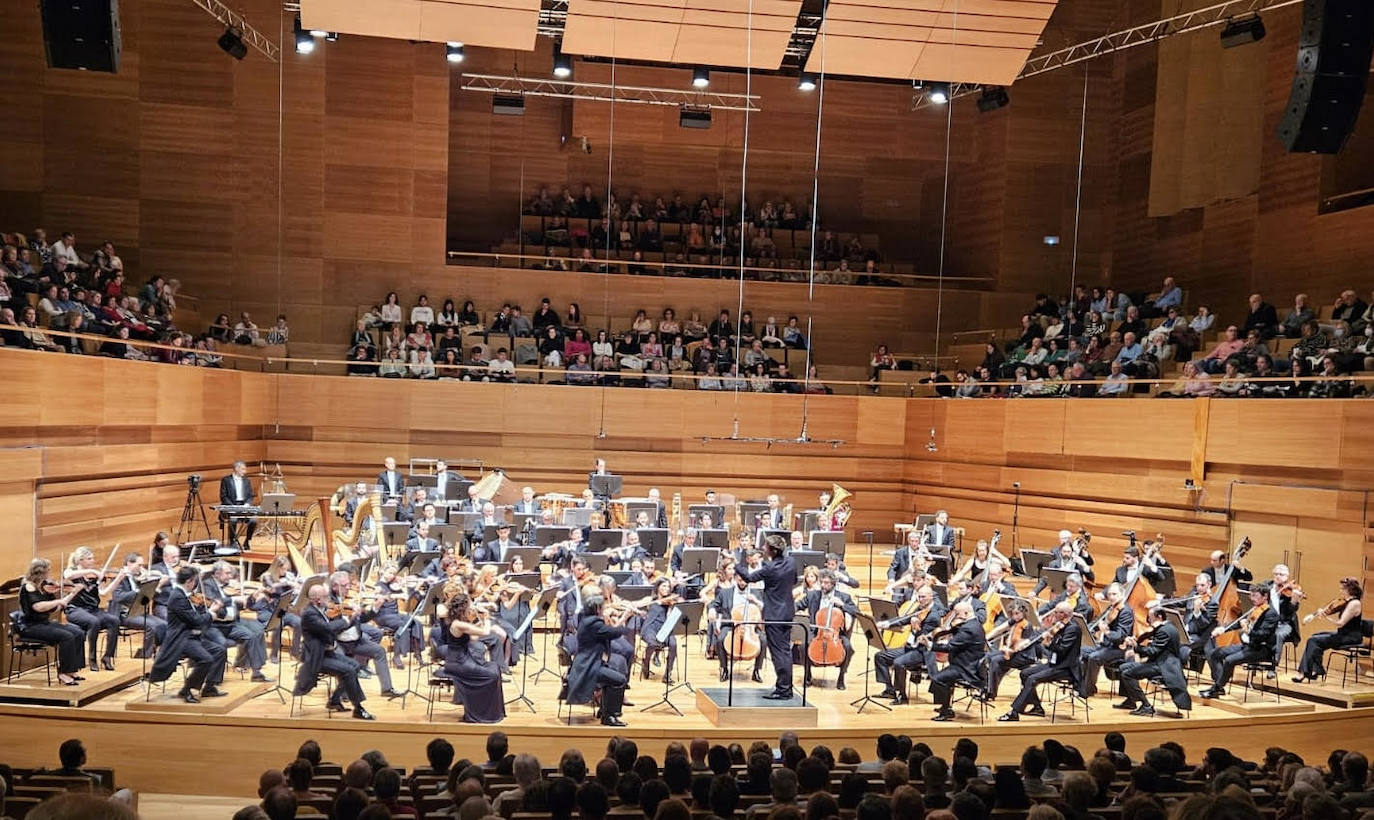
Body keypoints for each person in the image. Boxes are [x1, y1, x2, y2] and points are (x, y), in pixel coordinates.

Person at [293, 583, 374, 720]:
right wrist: (347, 619)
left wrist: (350, 615)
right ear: (317, 599)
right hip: (316, 657)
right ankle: (358, 708)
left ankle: (334, 701)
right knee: (348, 670)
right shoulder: (309, 614)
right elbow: (328, 628)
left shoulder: (320, 610)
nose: (329, 600)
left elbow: (332, 627)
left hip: (327, 653)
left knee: (355, 666)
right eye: (326, 597)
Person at [149, 565, 228, 703]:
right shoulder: (177, 597)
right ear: (189, 581)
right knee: (206, 659)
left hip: (192, 636)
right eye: (195, 581)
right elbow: (196, 621)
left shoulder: (186, 596)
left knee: (219, 650)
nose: (196, 585)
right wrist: (211, 613)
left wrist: (208, 610)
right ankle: (187, 690)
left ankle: (209, 687)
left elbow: (196, 617)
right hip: (181, 639)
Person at [735, 535, 797, 699]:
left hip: (774, 614)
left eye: (766, 546)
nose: (763, 548)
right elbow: (795, 579)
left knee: (778, 653)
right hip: (788, 612)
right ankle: (785, 687)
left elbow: (748, 578)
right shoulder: (791, 562)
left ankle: (784, 690)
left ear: (773, 550)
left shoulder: (770, 568)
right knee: (785, 651)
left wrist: (736, 563)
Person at [999, 602, 1082, 721]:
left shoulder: (1073, 629)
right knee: (1025, 673)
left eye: (1056, 612)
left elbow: (1062, 650)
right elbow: (1045, 640)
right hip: (1054, 664)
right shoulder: (1060, 625)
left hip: (1065, 668)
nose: (1054, 614)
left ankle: (1014, 712)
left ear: (1063, 614)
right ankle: (1037, 707)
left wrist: (1048, 643)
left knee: (1032, 679)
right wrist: (1033, 639)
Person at [1199, 585, 1279, 699]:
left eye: (1255, 595)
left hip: (1262, 649)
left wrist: (1248, 630)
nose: (1252, 598)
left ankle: (1216, 688)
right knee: (1215, 653)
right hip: (1248, 645)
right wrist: (1223, 629)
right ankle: (1219, 686)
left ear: (1265, 596)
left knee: (1229, 660)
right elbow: (1239, 622)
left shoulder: (1271, 614)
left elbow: (1262, 635)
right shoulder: (1255, 609)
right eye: (1251, 595)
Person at [438, 592, 507, 723]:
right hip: (458, 662)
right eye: (469, 606)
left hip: (463, 658)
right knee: (491, 675)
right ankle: (481, 713)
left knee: (495, 667)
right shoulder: (457, 624)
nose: (471, 608)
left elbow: (474, 637)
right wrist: (486, 618)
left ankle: (491, 711)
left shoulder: (460, 622)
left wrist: (479, 619)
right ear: (463, 608)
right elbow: (486, 632)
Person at [17, 558, 87, 685]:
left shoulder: (44, 587)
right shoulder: (28, 587)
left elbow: (56, 608)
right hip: (31, 626)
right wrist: (57, 601)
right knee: (66, 636)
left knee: (78, 632)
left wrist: (72, 594)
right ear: (40, 572)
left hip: (44, 624)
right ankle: (63, 673)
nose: (50, 574)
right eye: (48, 571)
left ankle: (72, 670)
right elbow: (37, 607)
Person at [202, 561, 274, 682]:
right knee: (245, 637)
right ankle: (214, 679)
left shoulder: (228, 586)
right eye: (227, 573)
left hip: (232, 621)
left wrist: (252, 597)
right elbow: (213, 601)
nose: (230, 576)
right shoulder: (207, 585)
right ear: (217, 574)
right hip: (217, 624)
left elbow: (247, 606)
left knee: (256, 632)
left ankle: (256, 672)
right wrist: (234, 599)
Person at [1115, 604, 1191, 717]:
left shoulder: (1165, 631)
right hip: (1158, 662)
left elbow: (1152, 651)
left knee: (1127, 674)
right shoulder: (1167, 626)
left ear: (1159, 617)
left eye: (1150, 617)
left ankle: (1146, 705)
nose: (1148, 620)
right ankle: (1131, 701)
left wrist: (1135, 648)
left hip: (1163, 666)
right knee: (1122, 668)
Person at [566, 595, 631, 726]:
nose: (604, 609)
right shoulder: (594, 624)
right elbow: (614, 632)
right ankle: (610, 716)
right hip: (588, 668)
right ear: (597, 609)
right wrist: (625, 618)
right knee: (620, 680)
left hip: (588, 663)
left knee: (612, 676)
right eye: (602, 607)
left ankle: (604, 711)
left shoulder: (586, 619)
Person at [875, 584, 945, 703]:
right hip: (909, 648)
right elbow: (905, 618)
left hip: (921, 652)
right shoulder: (920, 609)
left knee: (898, 663)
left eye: (923, 597)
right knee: (880, 656)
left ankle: (902, 696)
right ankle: (889, 690)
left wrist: (915, 628)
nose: (920, 599)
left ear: (931, 597)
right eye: (919, 597)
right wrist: (887, 624)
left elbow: (923, 639)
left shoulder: (933, 616)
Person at [61, 547, 123, 672]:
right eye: (89, 558)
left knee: (114, 620)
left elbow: (104, 592)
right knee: (93, 622)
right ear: (80, 560)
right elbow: (69, 575)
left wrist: (118, 579)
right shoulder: (71, 571)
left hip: (93, 609)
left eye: (92, 558)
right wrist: (91, 571)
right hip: (75, 609)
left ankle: (107, 656)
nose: (93, 560)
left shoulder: (95, 576)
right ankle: (92, 658)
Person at [1294, 577, 1364, 683]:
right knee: (1315, 636)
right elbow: (1330, 610)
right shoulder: (1346, 601)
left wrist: (1326, 617)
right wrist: (1314, 615)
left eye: (1342, 589)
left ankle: (1303, 672)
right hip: (1343, 634)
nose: (1341, 591)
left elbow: (1340, 623)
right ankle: (1317, 669)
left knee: (1313, 641)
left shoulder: (1354, 604)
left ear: (1350, 590)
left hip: (1350, 637)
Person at [797, 569, 858, 690]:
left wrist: (842, 605)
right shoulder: (813, 595)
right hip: (817, 632)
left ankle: (841, 677)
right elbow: (798, 605)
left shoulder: (844, 597)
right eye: (822, 582)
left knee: (848, 648)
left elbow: (856, 611)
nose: (824, 586)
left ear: (833, 584)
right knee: (803, 646)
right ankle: (807, 675)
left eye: (827, 583)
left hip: (836, 634)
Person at [927, 602, 986, 721]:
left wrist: (930, 645)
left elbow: (950, 648)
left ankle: (946, 711)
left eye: (957, 614)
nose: (955, 617)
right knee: (942, 676)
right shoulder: (973, 624)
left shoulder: (968, 629)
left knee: (938, 678)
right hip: (965, 663)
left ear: (966, 613)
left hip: (966, 669)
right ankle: (945, 706)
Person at [219, 460, 257, 548]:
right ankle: (232, 542)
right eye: (243, 469)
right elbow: (223, 496)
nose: (245, 471)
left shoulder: (247, 481)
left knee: (253, 520)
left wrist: (247, 504)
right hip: (231, 506)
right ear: (236, 469)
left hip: (244, 506)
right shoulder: (226, 480)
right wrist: (233, 506)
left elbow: (250, 496)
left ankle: (247, 541)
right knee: (233, 520)